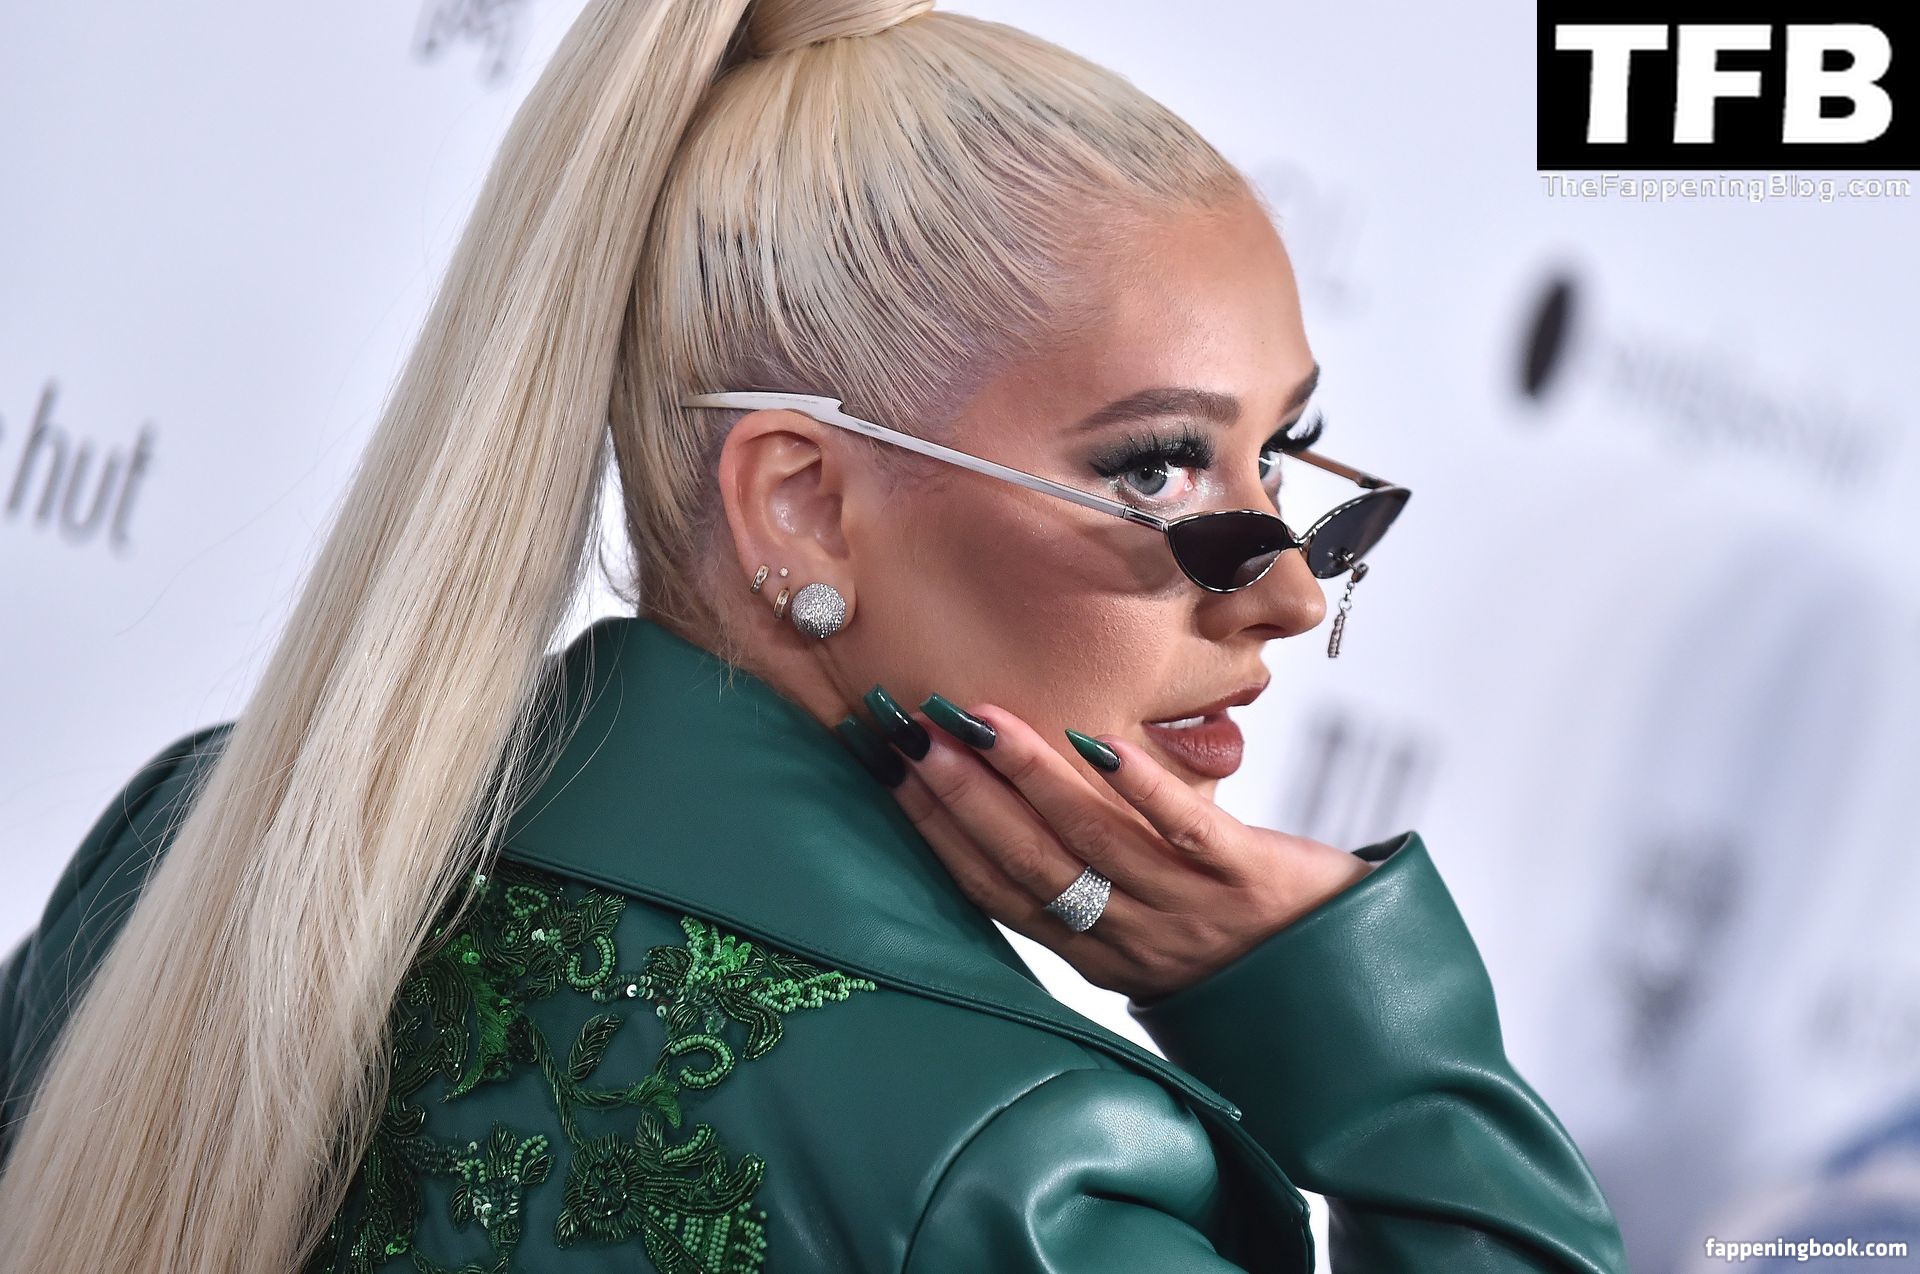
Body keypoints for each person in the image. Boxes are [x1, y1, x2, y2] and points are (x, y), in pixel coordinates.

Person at [0, 0, 1628, 1269]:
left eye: (1284, 458)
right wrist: (1371, 1035)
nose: (1286, 592)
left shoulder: (199, 842)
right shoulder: (1025, 1172)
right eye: (1158, 468)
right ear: (801, 508)